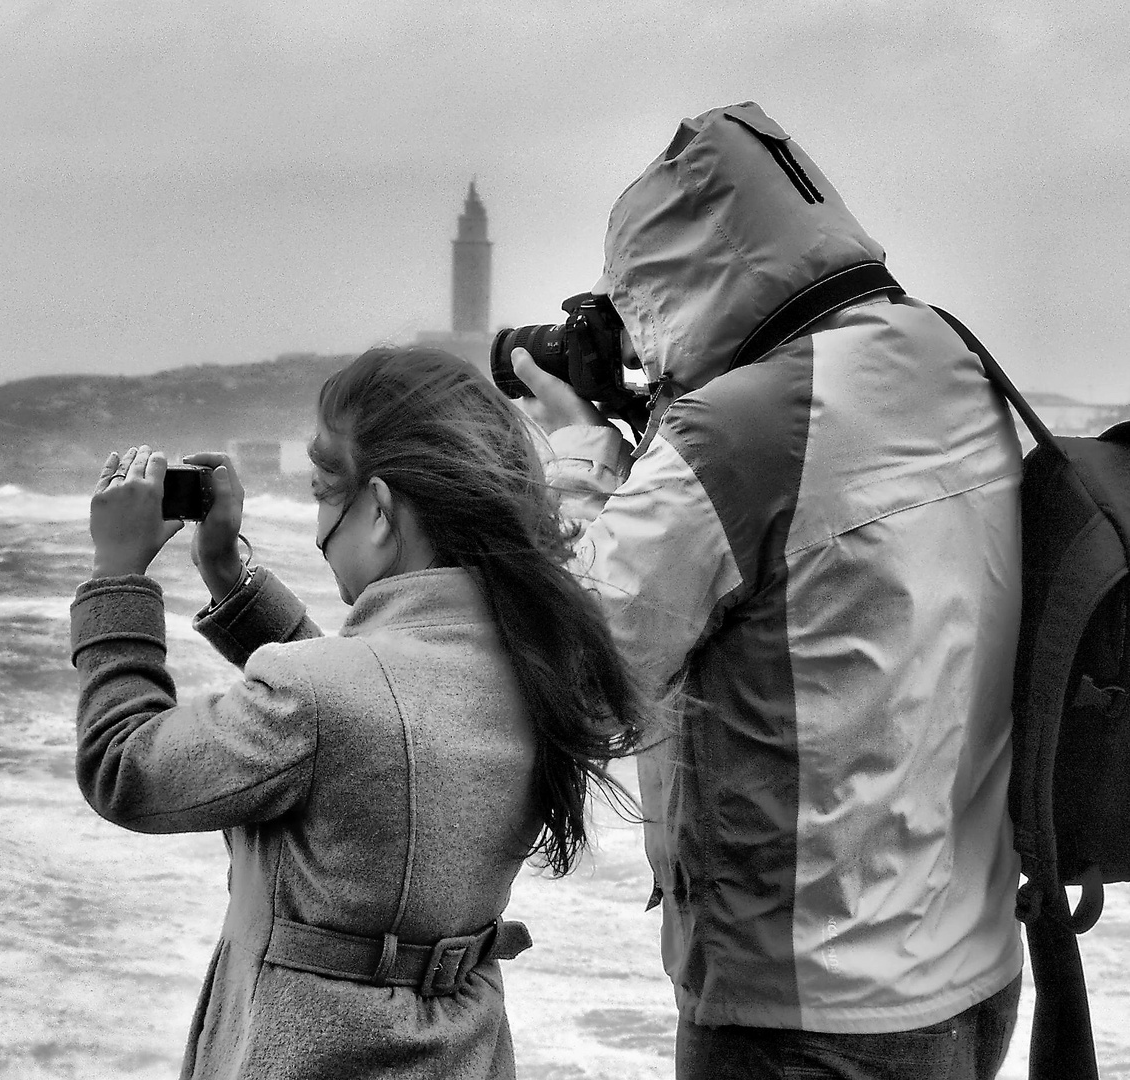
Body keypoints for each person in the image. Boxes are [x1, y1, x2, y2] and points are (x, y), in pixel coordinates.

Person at [509, 102, 1025, 1078]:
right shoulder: (947, 358)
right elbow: (805, 578)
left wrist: (579, 452)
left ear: (681, 279)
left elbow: (579, 668)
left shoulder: (737, 434)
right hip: (971, 966)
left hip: (805, 1012)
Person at [69, 346, 650, 1079]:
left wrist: (115, 575)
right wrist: (228, 577)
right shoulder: (538, 663)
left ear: (378, 511)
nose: (318, 523)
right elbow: (377, 712)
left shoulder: (319, 699)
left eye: (321, 491)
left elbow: (125, 767)